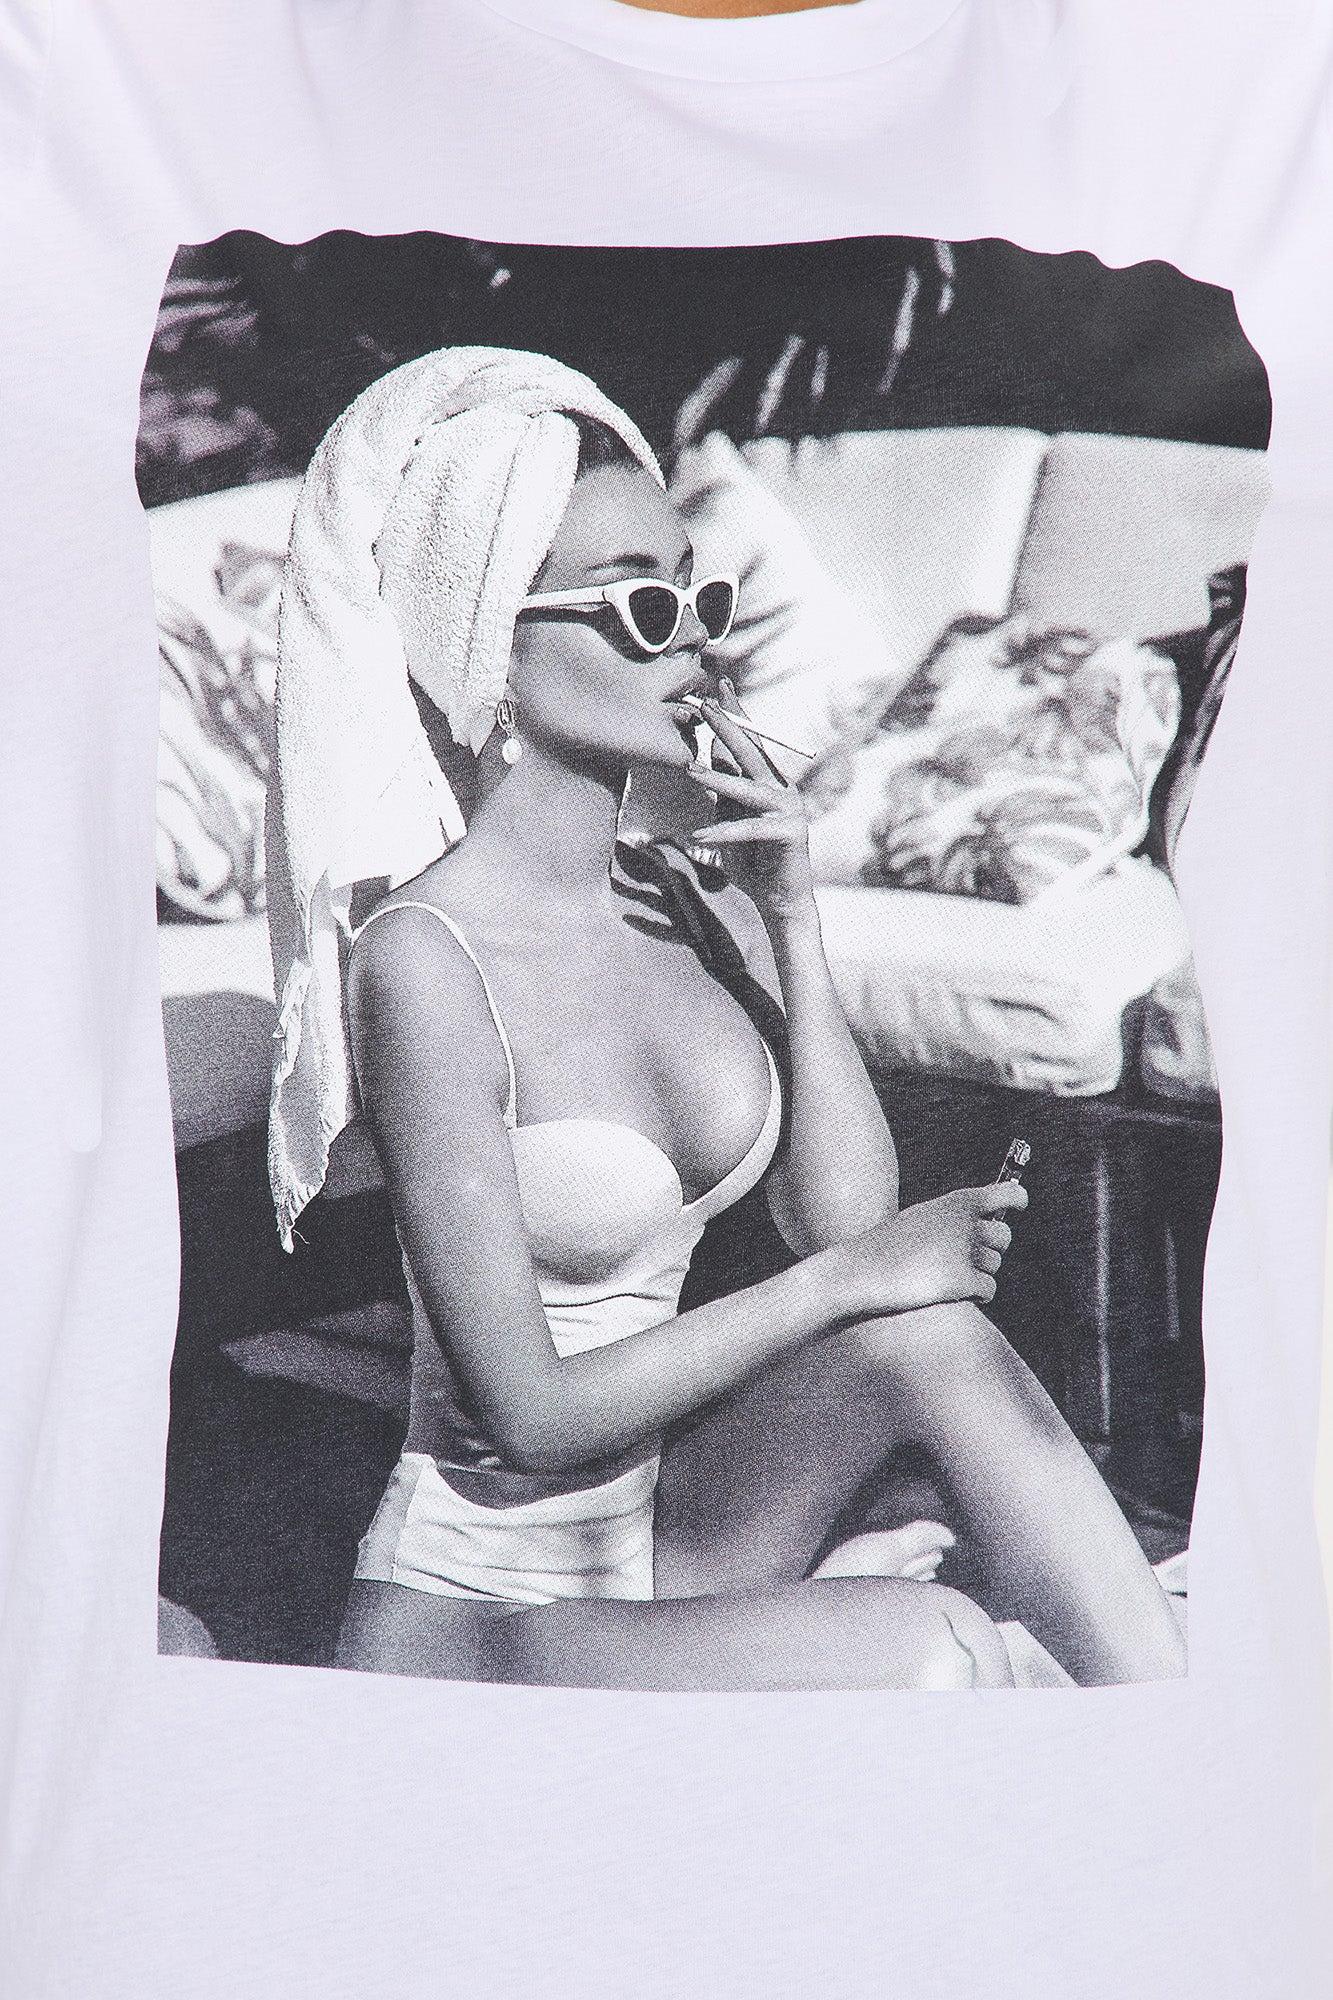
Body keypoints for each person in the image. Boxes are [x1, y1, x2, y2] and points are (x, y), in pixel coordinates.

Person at [264, 342, 1185, 1691]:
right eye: (643, 607)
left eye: (699, 597)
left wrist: (791, 915)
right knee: (935, 1646)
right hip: (475, 1616)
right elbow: (527, 1416)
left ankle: (1182, 1728)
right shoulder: (424, 958)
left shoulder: (695, 900)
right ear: (491, 645)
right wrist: (843, 1288)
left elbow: (848, 1224)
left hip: (661, 1538)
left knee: (936, 1340)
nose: (695, 640)